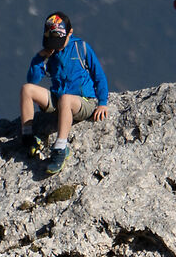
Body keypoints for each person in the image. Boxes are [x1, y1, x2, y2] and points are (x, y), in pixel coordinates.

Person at [20, 12, 112, 174]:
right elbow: (32, 80)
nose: (57, 45)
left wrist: (102, 103)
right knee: (26, 90)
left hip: (82, 102)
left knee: (66, 99)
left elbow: (99, 76)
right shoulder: (51, 52)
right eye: (52, 41)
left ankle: (60, 148)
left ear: (70, 32)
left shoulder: (81, 48)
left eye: (60, 41)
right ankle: (28, 137)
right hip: (58, 100)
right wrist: (39, 59)